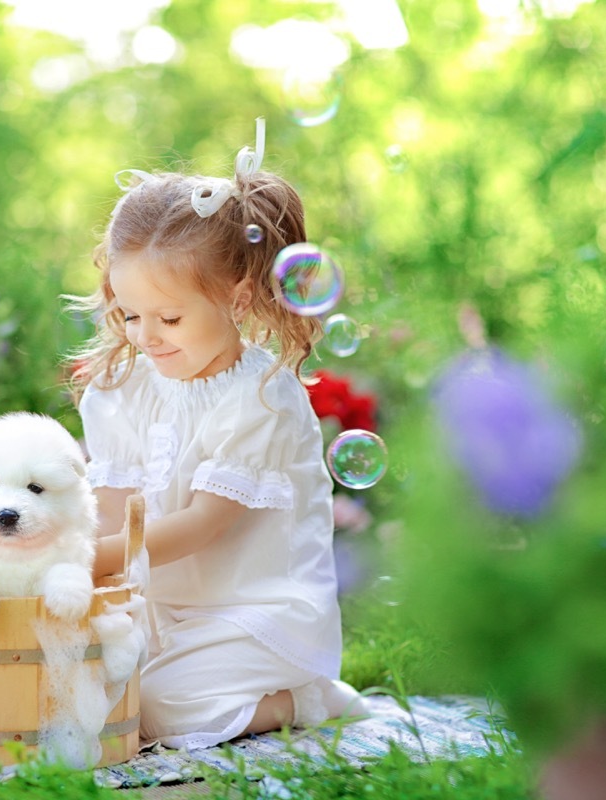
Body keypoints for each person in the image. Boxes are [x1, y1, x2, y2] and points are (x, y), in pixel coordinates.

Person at [69, 119, 367, 750]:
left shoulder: (260, 397)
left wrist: (83, 563)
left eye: (169, 317)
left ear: (237, 299)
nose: (145, 336)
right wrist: (83, 574)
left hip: (252, 615)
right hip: (160, 607)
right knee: (82, 688)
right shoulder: (124, 387)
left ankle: (304, 696)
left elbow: (206, 524)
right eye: (130, 314)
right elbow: (114, 510)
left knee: (153, 708)